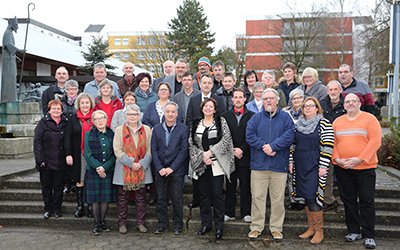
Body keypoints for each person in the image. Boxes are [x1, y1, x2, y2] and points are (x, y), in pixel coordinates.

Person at [332, 93, 381, 249]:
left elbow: (375, 141)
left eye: (354, 101)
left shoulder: (370, 119)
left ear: (359, 104)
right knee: (348, 201)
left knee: (367, 201)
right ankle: (353, 230)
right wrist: (337, 159)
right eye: (348, 101)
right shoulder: (337, 122)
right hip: (343, 168)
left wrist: (360, 158)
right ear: (344, 105)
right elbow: (331, 142)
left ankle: (369, 235)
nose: (351, 104)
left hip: (365, 168)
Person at [246, 88, 294, 240]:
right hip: (259, 166)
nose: (268, 101)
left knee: (278, 199)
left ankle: (276, 228)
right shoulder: (255, 118)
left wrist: (273, 146)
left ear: (277, 100)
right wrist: (264, 146)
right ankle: (256, 227)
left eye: (271, 98)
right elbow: (249, 136)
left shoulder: (286, 118)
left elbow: (290, 135)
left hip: (279, 166)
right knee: (257, 198)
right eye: (265, 98)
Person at [289, 97, 334, 244]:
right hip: (300, 165)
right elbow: (292, 145)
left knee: (314, 197)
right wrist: (290, 162)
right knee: (306, 197)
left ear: (317, 108)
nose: (307, 108)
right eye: (305, 106)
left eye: (311, 106)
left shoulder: (324, 124)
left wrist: (323, 166)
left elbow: (328, 146)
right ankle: (310, 228)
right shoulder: (297, 125)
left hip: (315, 166)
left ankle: (319, 230)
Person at [189, 98, 234, 240]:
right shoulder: (196, 124)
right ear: (202, 108)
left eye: (211, 107)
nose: (208, 108)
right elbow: (191, 143)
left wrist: (211, 152)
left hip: (217, 165)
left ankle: (219, 227)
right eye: (206, 106)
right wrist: (202, 156)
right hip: (201, 164)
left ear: (215, 109)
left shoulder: (221, 122)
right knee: (203, 196)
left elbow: (226, 140)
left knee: (217, 195)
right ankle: (206, 224)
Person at [113, 104, 152, 234]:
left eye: (135, 114)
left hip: (142, 169)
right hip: (124, 169)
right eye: (130, 114)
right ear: (126, 116)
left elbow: (150, 149)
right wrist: (131, 163)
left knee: (141, 198)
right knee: (122, 198)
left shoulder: (146, 129)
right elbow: (117, 150)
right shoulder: (119, 130)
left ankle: (140, 223)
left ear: (139, 115)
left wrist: (141, 163)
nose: (132, 117)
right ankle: (122, 223)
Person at [151, 102, 189, 235]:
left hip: (176, 171)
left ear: (177, 114)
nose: (170, 114)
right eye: (168, 111)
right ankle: (162, 224)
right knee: (161, 199)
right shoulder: (156, 129)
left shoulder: (183, 129)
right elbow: (154, 150)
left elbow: (184, 151)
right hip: (160, 170)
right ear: (164, 113)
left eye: (173, 112)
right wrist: (160, 167)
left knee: (177, 199)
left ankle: (178, 225)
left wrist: (172, 168)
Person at [221, 88, 255, 223]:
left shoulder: (252, 116)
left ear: (245, 99)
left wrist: (242, 149)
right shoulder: (224, 116)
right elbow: (223, 135)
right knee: (230, 185)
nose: (238, 99)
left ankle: (246, 212)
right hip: (229, 156)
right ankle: (229, 212)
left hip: (246, 155)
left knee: (246, 185)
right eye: (236, 97)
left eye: (241, 97)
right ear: (232, 99)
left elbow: (252, 135)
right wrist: (232, 150)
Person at [84, 110, 117, 236]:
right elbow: (87, 154)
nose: (100, 121)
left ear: (106, 119)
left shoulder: (112, 134)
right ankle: (96, 224)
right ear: (93, 121)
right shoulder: (88, 134)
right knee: (94, 199)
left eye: (102, 118)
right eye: (96, 119)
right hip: (93, 171)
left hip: (108, 171)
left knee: (105, 199)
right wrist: (99, 168)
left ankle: (103, 222)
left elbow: (115, 154)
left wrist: (105, 167)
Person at [34, 99, 68, 219]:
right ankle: (48, 209)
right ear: (49, 110)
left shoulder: (65, 122)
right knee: (47, 187)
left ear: (61, 110)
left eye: (58, 108)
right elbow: (37, 142)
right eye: (53, 108)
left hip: (61, 161)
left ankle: (57, 209)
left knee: (58, 187)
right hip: (46, 161)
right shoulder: (43, 123)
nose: (56, 110)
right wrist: (40, 159)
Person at [64, 93, 95, 218]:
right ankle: (80, 206)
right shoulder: (73, 118)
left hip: (92, 154)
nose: (85, 105)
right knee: (80, 180)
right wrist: (68, 154)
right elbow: (67, 138)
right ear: (78, 104)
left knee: (91, 181)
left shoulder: (95, 117)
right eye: (82, 103)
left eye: (87, 103)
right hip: (78, 154)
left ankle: (90, 206)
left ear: (91, 104)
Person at [319, 80, 346, 212]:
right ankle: (328, 200)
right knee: (327, 174)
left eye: (336, 89)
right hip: (326, 144)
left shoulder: (346, 103)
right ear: (327, 91)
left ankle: (343, 201)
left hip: (343, 143)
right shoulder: (322, 104)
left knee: (343, 174)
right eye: (331, 90)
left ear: (340, 90)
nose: (333, 92)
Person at [282, 88, 305, 211]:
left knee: (301, 173)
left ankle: (302, 199)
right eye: (294, 98)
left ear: (303, 99)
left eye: (299, 98)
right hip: (288, 147)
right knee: (290, 174)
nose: (296, 100)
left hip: (303, 147)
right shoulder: (286, 113)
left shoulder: (307, 112)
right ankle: (293, 199)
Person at [60, 79, 80, 195]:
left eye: (74, 89)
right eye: (69, 89)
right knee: (65, 160)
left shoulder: (81, 101)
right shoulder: (61, 102)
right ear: (65, 90)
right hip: (63, 133)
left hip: (76, 133)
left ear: (77, 90)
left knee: (75, 160)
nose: (71, 91)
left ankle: (74, 183)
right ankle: (67, 184)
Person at [1, 17, 25, 102]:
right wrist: (19, 50)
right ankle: (8, 98)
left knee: (12, 78)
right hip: (8, 61)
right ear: (12, 24)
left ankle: (12, 98)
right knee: (9, 78)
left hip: (11, 60)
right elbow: (8, 44)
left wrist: (16, 57)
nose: (17, 27)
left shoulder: (10, 33)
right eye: (16, 25)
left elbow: (10, 50)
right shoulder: (7, 33)